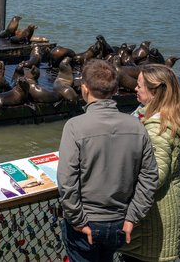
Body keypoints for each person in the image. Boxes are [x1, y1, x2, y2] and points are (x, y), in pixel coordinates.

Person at [57, 58, 158, 262]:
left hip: (85, 224)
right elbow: (149, 178)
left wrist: (78, 221)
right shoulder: (137, 126)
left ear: (84, 89)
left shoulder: (74, 127)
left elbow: (67, 182)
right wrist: (132, 218)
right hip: (121, 222)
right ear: (115, 91)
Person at [120, 64, 180, 261]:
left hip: (152, 222)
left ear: (154, 90)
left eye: (139, 85)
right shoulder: (172, 116)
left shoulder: (157, 127)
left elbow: (155, 175)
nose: (135, 89)